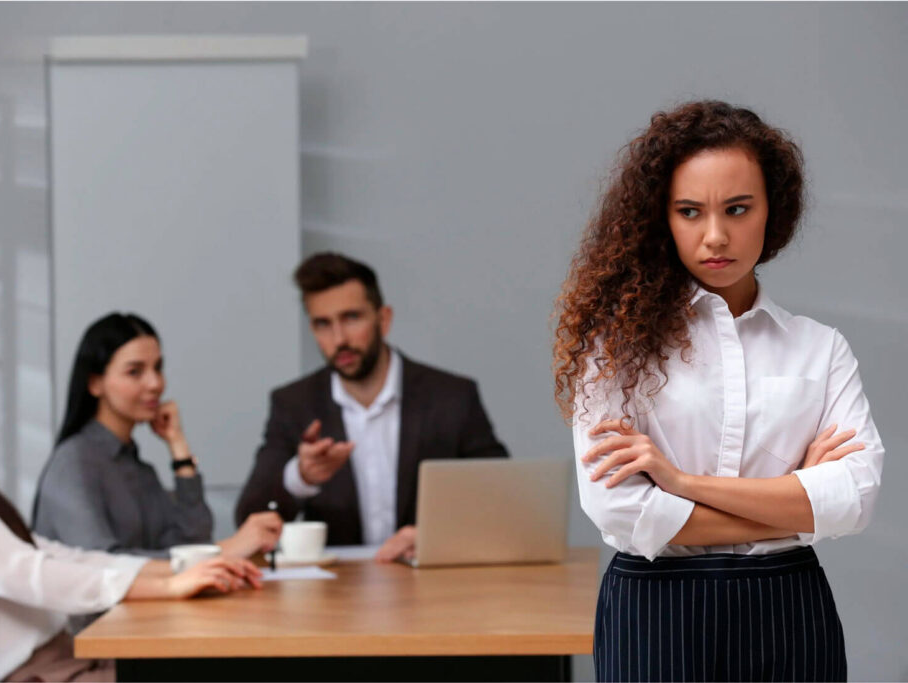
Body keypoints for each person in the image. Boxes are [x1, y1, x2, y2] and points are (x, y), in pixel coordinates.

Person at [554, 100, 883, 681]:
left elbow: (854, 501)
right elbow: (620, 509)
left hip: (790, 612)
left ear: (770, 212)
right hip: (654, 612)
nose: (715, 235)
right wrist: (796, 503)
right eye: (689, 211)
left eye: (737, 208)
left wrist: (680, 485)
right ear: (662, 218)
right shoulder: (614, 350)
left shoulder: (820, 348)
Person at [0, 332, 263, 682]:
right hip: (42, 671)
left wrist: (176, 575)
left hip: (63, 656)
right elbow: (29, 573)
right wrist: (168, 583)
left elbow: (53, 554)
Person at [235, 252, 509, 561]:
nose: (339, 339)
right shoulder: (294, 404)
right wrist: (301, 477)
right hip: (337, 591)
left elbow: (501, 499)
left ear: (384, 319)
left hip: (433, 583)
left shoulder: (451, 397)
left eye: (351, 318)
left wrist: (437, 537)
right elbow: (248, 518)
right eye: (323, 324)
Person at [33, 313, 281, 560]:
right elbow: (102, 567)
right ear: (95, 383)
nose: (155, 384)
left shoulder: (139, 469)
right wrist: (224, 551)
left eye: (158, 368)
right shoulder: (73, 462)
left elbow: (193, 541)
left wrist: (178, 447)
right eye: (135, 372)